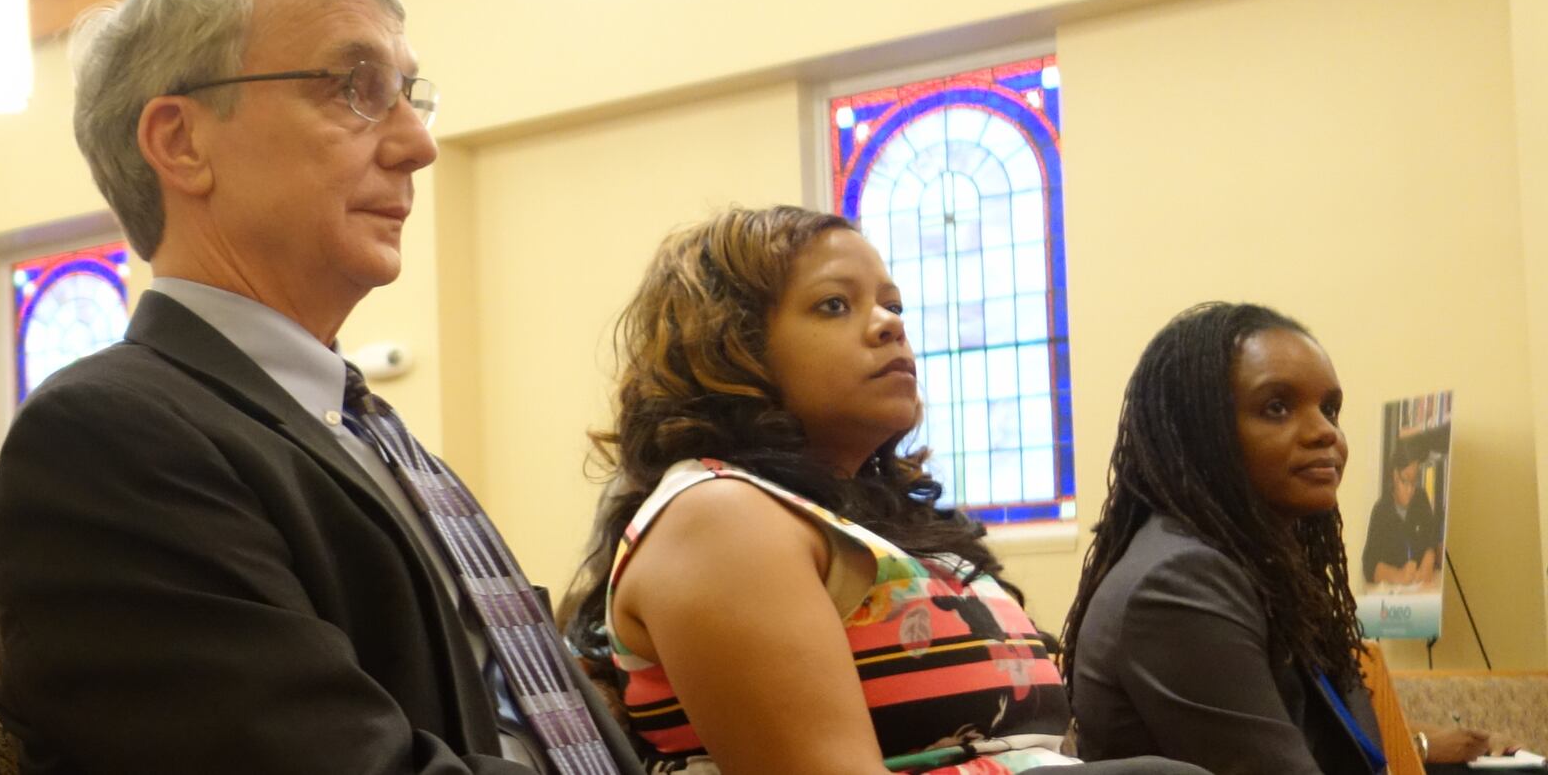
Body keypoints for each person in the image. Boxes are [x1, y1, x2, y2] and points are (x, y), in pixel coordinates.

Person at [0, 0, 640, 775]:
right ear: (181, 142)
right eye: (355, 89)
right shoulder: (108, 437)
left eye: (410, 94)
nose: (418, 145)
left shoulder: (364, 430)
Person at [561, 206, 1209, 775]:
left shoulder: (880, 523)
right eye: (834, 305)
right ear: (730, 347)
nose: (888, 325)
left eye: (892, 305)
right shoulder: (718, 516)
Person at [1062, 302, 1386, 774]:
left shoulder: (1270, 574)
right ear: (1198, 433)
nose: (1325, 432)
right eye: (1277, 407)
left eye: (1329, 408)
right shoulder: (1178, 582)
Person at [1361, 441, 1440, 588]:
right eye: (1405, 481)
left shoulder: (1421, 499)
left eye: (1414, 482)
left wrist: (1428, 561)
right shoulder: (1382, 510)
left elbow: (1432, 541)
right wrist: (1397, 575)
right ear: (1395, 475)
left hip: (1423, 592)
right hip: (1394, 599)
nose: (1410, 490)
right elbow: (1369, 565)